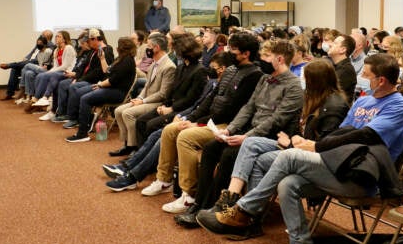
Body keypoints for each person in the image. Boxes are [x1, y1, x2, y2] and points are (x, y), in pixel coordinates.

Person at [196, 53, 403, 244]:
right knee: (288, 183)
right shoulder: (365, 100)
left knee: (289, 157)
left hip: (361, 175)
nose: (362, 78)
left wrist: (315, 146)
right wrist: (312, 145)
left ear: (382, 80)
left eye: (366, 75)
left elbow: (365, 135)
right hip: (337, 163)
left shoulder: (398, 106)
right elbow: (343, 133)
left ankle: (244, 210)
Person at [203, 59, 350, 236]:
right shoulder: (312, 97)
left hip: (310, 156)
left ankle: (248, 216)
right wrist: (290, 138)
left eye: (306, 78)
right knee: (251, 143)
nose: (302, 82)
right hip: (293, 145)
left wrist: (291, 141)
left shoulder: (334, 105)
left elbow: (324, 145)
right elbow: (298, 128)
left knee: (256, 158)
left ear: (316, 81)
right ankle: (233, 202)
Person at [172, 40, 304, 227]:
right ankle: (199, 205)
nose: (261, 59)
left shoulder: (293, 87)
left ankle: (216, 208)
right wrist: (230, 129)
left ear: (280, 59)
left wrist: (246, 137)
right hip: (251, 131)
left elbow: (276, 120)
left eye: (266, 56)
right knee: (211, 148)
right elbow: (248, 108)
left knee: (228, 155)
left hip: (271, 137)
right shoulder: (264, 79)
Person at [136, 33, 262, 208]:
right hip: (211, 120)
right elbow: (211, 98)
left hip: (227, 125)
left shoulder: (254, 75)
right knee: (171, 129)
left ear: (246, 53)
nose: (228, 52)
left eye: (233, 49)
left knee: (185, 137)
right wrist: (190, 117)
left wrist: (197, 123)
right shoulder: (231, 70)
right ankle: (164, 180)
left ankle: (189, 194)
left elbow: (232, 109)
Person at [104, 52, 233, 192]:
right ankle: (129, 167)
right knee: (157, 133)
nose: (210, 69)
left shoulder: (225, 85)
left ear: (223, 69)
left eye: (213, 67)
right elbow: (198, 105)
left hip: (210, 124)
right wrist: (186, 117)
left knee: (162, 135)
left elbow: (213, 112)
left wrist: (190, 120)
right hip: (193, 117)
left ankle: (133, 176)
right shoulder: (212, 83)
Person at [134, 34, 208, 146]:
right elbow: (171, 91)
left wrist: (171, 108)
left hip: (182, 109)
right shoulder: (181, 67)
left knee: (151, 124)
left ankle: (149, 160)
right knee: (141, 121)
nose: (175, 52)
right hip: (171, 105)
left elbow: (191, 98)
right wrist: (164, 105)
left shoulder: (199, 71)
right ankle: (139, 153)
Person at [110, 33, 176, 155]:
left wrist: (143, 101)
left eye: (149, 46)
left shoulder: (169, 67)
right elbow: (146, 86)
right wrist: (139, 97)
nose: (147, 49)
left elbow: (163, 94)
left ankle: (134, 146)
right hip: (146, 99)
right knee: (118, 111)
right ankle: (127, 144)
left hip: (157, 102)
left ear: (156, 47)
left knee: (128, 113)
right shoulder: (153, 64)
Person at [65, 37, 137, 143]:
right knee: (84, 95)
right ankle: (87, 123)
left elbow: (112, 80)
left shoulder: (127, 61)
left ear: (121, 48)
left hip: (118, 93)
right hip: (111, 89)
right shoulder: (121, 59)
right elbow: (107, 71)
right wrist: (102, 59)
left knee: (85, 99)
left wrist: (100, 85)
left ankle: (82, 133)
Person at [52, 29, 114, 125]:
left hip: (96, 81)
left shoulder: (107, 50)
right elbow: (82, 67)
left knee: (73, 87)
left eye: (89, 41)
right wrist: (76, 77)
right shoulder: (92, 51)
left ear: (96, 39)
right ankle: (62, 112)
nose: (88, 44)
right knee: (63, 84)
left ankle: (73, 117)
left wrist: (78, 80)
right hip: (85, 78)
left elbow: (99, 73)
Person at [22, 30, 76, 111]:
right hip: (59, 71)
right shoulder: (57, 50)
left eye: (59, 36)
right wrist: (50, 71)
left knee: (44, 75)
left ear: (64, 39)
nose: (56, 38)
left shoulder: (69, 48)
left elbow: (65, 66)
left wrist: (51, 72)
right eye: (56, 36)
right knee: (40, 75)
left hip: (67, 71)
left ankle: (36, 99)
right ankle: (39, 101)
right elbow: (56, 66)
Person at [0, 29, 54, 100]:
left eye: (42, 35)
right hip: (30, 61)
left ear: (47, 37)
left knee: (27, 65)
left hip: (37, 63)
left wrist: (29, 60)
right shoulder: (38, 43)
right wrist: (26, 57)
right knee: (14, 69)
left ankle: (10, 65)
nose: (40, 36)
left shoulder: (50, 45)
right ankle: (10, 93)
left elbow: (44, 58)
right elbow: (32, 52)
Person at [325, 33, 357, 100]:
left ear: (343, 50)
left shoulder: (346, 70)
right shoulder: (334, 65)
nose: (330, 44)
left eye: (335, 43)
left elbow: (327, 91)